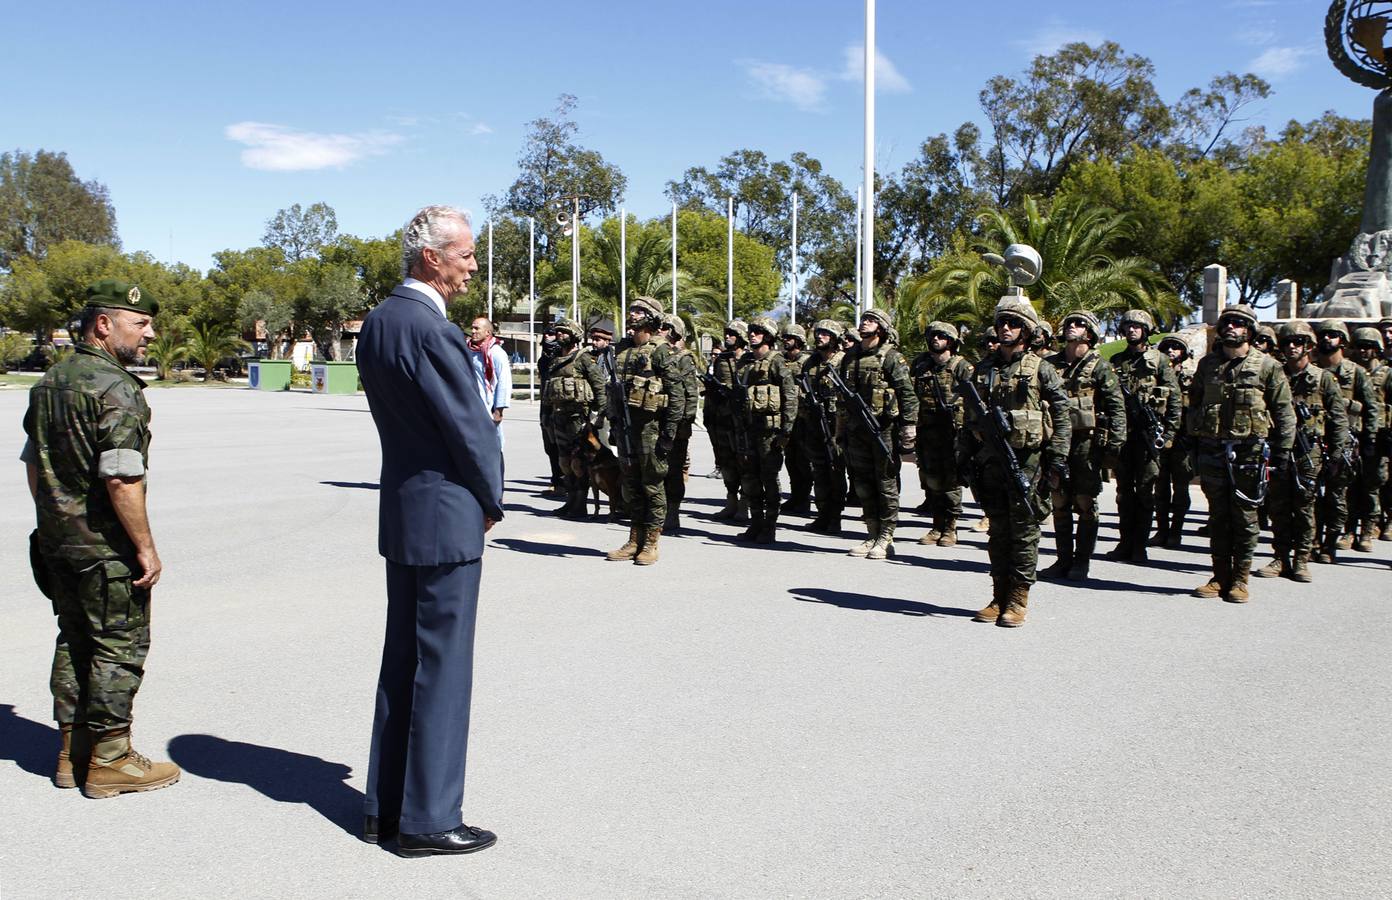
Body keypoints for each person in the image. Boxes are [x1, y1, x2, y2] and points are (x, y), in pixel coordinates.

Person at [355, 205, 503, 857]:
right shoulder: (430, 329)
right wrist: (491, 498)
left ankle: (385, 807)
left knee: (404, 660)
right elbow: (471, 429)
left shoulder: (381, 323)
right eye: (465, 254)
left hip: (406, 509)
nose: (473, 265)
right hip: (446, 516)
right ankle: (428, 820)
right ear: (430, 258)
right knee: (442, 667)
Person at [22, 278, 178, 799]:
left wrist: (54, 520)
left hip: (57, 541)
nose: (150, 334)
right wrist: (145, 547)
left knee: (75, 640)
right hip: (103, 551)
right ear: (104, 325)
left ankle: (73, 752)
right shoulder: (115, 388)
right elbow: (121, 477)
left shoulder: (51, 381)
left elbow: (34, 466)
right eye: (141, 323)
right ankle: (111, 760)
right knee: (118, 646)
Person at [959, 298, 1071, 627]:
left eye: (1014, 323)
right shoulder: (983, 369)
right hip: (991, 461)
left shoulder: (1041, 368)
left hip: (1029, 461)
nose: (1006, 328)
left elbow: (1061, 417)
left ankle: (1018, 599)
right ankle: (999, 594)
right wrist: (964, 456)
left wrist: (1058, 459)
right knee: (998, 531)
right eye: (1002, 323)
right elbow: (969, 417)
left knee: (1024, 533)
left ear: (1026, 330)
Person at [1185, 304, 1295, 603]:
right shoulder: (1207, 365)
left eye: (1239, 323)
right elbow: (1193, 406)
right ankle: (1219, 577)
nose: (1232, 327)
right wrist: (1192, 445)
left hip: (1250, 453)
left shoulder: (1267, 366)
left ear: (1250, 330)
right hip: (1212, 451)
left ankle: (1240, 580)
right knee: (1218, 517)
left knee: (1245, 519)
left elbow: (1284, 412)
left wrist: (1283, 452)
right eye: (1228, 323)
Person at [1255, 321, 1348, 582]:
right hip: (1279, 448)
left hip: (1310, 450)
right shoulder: (1274, 374)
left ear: (1308, 346)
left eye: (1298, 342)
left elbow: (1339, 419)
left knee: (1305, 505)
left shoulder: (1323, 378)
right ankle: (1281, 557)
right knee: (1278, 505)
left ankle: (1301, 559)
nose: (1292, 347)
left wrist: (1338, 454)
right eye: (1287, 343)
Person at [1039, 310, 1126, 582]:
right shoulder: (1049, 364)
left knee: (1085, 502)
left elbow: (1116, 408)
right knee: (1059, 501)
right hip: (1055, 441)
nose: (1072, 327)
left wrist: (1114, 445)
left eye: (1079, 324)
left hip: (1087, 446)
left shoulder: (1099, 367)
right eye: (1069, 323)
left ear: (1089, 332)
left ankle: (1082, 561)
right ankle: (1063, 560)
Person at [604, 297, 686, 565]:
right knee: (630, 484)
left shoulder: (661, 350)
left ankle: (651, 542)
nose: (633, 314)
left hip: (652, 429)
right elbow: (613, 392)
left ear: (651, 317)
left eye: (640, 311)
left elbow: (676, 396)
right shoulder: (623, 349)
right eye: (632, 310)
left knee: (652, 485)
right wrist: (614, 424)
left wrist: (669, 434)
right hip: (627, 429)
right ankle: (634, 539)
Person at [838, 308, 917, 560]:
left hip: (884, 429)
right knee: (862, 483)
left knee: (885, 484)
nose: (864, 324)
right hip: (856, 429)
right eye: (863, 320)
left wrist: (909, 427)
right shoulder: (850, 357)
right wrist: (839, 430)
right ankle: (871, 533)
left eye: (871, 321)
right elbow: (842, 398)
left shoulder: (891, 358)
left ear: (881, 328)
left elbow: (907, 394)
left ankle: (886, 537)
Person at [1108, 310, 1183, 562]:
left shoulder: (1159, 361)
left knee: (1145, 491)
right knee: (1124, 492)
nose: (1132, 330)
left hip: (1149, 437)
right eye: (1128, 326)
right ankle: (1124, 542)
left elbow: (1175, 400)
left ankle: (1140, 545)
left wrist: (1169, 433)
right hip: (1124, 435)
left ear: (1147, 330)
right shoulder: (1117, 361)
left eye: (1137, 326)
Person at [1313, 319, 1380, 562]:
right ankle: (1311, 542)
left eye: (1333, 334)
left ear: (1342, 340)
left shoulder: (1355, 372)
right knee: (1311, 496)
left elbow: (1371, 407)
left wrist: (1370, 438)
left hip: (1347, 441)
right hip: (1315, 440)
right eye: (1324, 334)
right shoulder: (1313, 371)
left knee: (1338, 495)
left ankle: (1333, 541)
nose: (1327, 338)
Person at [730, 316, 798, 543]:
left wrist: (786, 430)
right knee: (749, 478)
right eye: (751, 331)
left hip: (770, 432)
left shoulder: (777, 362)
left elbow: (790, 396)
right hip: (747, 430)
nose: (752, 335)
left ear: (768, 336)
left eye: (758, 331)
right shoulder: (746, 363)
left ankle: (769, 527)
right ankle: (755, 523)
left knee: (769, 479)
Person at [908, 321, 973, 547]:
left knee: (951, 482)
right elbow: (910, 394)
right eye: (933, 336)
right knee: (931, 479)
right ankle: (936, 525)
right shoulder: (920, 365)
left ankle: (950, 528)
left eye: (941, 336)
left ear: (952, 341)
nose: (936, 339)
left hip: (953, 432)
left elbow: (974, 399)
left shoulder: (961, 366)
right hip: (927, 429)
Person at [541, 318, 605, 519]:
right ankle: (570, 501)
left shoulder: (583, 359)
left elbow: (599, 387)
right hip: (558, 417)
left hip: (579, 419)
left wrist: (598, 416)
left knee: (578, 463)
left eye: (564, 332)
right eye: (558, 332)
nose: (560, 335)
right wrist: (546, 415)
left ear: (574, 335)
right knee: (564, 462)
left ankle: (580, 504)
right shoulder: (555, 360)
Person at [799, 320, 848, 533]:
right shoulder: (810, 362)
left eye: (826, 334)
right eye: (818, 333)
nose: (820, 337)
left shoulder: (843, 361)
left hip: (836, 424)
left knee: (835, 471)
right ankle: (822, 514)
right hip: (813, 423)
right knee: (818, 470)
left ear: (835, 338)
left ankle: (834, 516)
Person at [1151, 333, 1197, 549]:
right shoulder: (1156, 379)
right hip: (1160, 439)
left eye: (1176, 348)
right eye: (1167, 347)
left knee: (1180, 488)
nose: (1171, 351)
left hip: (1182, 440)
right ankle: (1161, 530)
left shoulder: (1191, 380)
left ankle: (1176, 531)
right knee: (1160, 487)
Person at [1350, 327, 1390, 551]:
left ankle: (1368, 528)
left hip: (1377, 436)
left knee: (1374, 484)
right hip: (1352, 434)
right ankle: (1348, 529)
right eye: (1360, 347)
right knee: (1350, 485)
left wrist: (1375, 435)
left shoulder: (1386, 374)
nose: (1364, 351)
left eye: (1369, 347)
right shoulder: (1352, 372)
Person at [660, 313, 700, 532]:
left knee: (674, 470)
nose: (660, 331)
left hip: (677, 424)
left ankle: (672, 513)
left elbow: (691, 394)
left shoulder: (683, 357)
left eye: (665, 327)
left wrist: (684, 423)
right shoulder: (657, 353)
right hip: (658, 420)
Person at [705, 320, 749, 522]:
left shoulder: (750, 360)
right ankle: (730, 501)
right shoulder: (721, 359)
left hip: (743, 421)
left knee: (745, 463)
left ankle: (745, 504)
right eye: (727, 333)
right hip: (722, 418)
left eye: (732, 333)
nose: (728, 336)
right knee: (727, 463)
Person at [779, 323, 814, 515]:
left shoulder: (807, 361)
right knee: (791, 460)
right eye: (784, 337)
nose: (786, 340)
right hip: (786, 417)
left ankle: (804, 499)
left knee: (803, 461)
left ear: (799, 340)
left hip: (804, 419)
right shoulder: (781, 360)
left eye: (789, 337)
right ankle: (796, 496)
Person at [466, 316, 512, 453]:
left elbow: (504, 381)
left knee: (493, 445)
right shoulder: (468, 350)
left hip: (488, 407)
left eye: (477, 328)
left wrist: (499, 410)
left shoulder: (496, 353)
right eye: (472, 328)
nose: (473, 331)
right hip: (470, 406)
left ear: (488, 332)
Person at [537, 323, 563, 497]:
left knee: (562, 447)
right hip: (546, 405)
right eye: (546, 333)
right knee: (550, 446)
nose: (547, 336)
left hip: (559, 406)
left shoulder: (563, 355)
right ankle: (556, 480)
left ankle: (565, 483)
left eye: (552, 334)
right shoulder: (545, 356)